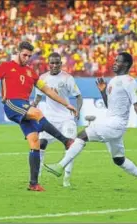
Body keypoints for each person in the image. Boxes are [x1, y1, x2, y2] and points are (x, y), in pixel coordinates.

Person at [44, 52, 137, 191]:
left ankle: (60, 166)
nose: (115, 63)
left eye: (118, 61)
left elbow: (136, 104)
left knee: (81, 136)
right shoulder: (113, 81)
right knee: (119, 160)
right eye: (115, 60)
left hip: (115, 124)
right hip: (112, 123)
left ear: (126, 64)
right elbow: (109, 106)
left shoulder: (130, 81)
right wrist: (103, 92)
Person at [0, 41, 77, 192]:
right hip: (12, 104)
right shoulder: (6, 67)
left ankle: (33, 184)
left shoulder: (31, 72)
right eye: (24, 55)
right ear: (18, 52)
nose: (27, 58)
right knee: (38, 112)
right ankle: (66, 141)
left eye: (29, 56)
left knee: (35, 143)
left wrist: (66, 104)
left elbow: (48, 91)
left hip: (25, 107)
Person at [33, 52, 83, 187]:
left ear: (61, 64)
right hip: (49, 118)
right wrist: (31, 109)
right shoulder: (42, 78)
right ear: (48, 64)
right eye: (52, 63)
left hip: (66, 118)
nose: (54, 65)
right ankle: (36, 177)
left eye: (57, 63)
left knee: (70, 146)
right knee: (41, 144)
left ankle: (66, 179)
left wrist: (77, 111)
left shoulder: (67, 78)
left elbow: (78, 96)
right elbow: (38, 97)